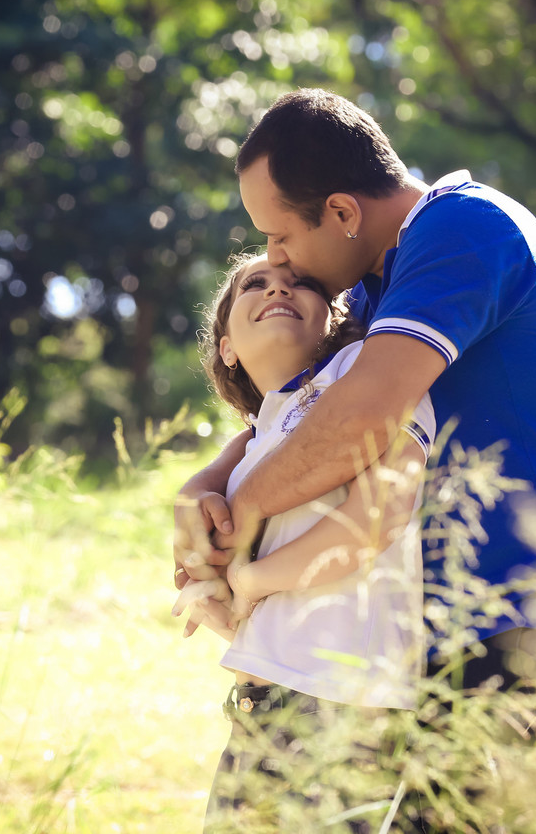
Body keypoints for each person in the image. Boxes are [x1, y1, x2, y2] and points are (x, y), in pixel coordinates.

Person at [174, 89, 536, 832]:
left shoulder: (465, 227)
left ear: (342, 212)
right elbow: (298, 416)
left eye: (280, 236)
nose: (276, 258)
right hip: (439, 646)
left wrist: (243, 516)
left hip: (531, 635)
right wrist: (202, 489)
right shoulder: (377, 286)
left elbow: (359, 418)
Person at [174, 252, 436, 832]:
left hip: (344, 712)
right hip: (258, 709)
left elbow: (377, 517)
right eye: (256, 284)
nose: (278, 288)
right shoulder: (257, 440)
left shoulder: (366, 375)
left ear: (334, 319)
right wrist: (219, 600)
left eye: (301, 283)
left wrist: (249, 579)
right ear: (227, 348)